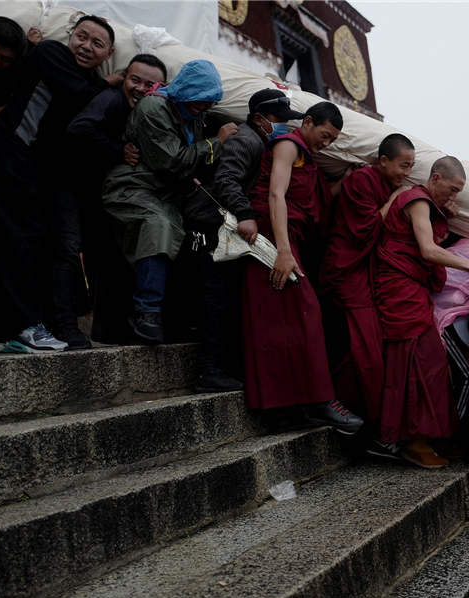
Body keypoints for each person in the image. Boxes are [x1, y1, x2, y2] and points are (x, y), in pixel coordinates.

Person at [0, 15, 117, 353]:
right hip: (11, 155)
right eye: (81, 36)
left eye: (97, 43)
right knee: (17, 243)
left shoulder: (89, 78)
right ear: (70, 36)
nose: (86, 46)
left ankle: (7, 329)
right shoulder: (51, 53)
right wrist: (112, 82)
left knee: (31, 245)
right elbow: (80, 94)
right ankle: (24, 326)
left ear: (108, 53)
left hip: (34, 172)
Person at [241, 101, 364, 434]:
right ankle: (322, 401)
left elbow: (315, 201)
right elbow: (276, 195)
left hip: (288, 239)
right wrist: (282, 251)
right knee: (304, 314)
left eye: (332, 140)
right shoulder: (287, 146)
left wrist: (346, 181)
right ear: (307, 122)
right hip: (272, 240)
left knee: (282, 325)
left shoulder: (308, 159)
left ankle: (285, 410)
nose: (327, 143)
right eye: (325, 135)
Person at [103, 59, 238, 344]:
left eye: (209, 102)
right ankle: (147, 314)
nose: (205, 106)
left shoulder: (193, 112)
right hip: (133, 187)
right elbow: (171, 162)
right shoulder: (154, 108)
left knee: (198, 237)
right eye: (201, 99)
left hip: (165, 193)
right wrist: (217, 142)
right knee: (158, 226)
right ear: (187, 91)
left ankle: (178, 319)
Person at [185, 88, 305, 392]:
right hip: (211, 225)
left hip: (220, 226)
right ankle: (210, 372)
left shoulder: (261, 142)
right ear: (259, 118)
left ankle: (221, 368)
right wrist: (245, 213)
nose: (282, 125)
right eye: (277, 119)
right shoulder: (247, 140)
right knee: (216, 298)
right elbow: (227, 179)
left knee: (225, 299)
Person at [374, 156, 469, 467]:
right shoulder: (418, 201)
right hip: (399, 288)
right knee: (416, 363)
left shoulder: (429, 207)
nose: (454, 197)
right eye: (452, 189)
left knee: (426, 363)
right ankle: (400, 438)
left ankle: (413, 437)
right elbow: (427, 250)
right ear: (435, 178)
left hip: (413, 290)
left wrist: (446, 218)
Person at [55, 53, 168, 348]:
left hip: (100, 195)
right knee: (69, 252)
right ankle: (66, 328)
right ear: (123, 79)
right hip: (69, 187)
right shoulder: (111, 100)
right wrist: (118, 150)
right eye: (134, 80)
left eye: (149, 85)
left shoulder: (148, 113)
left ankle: (108, 331)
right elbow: (79, 129)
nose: (140, 89)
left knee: (107, 260)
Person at [319, 133, 415, 428]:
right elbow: (366, 228)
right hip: (346, 267)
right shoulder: (362, 181)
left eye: (411, 167)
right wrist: (395, 200)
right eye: (403, 165)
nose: (407, 173)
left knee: (363, 345)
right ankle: (372, 419)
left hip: (366, 273)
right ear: (383, 161)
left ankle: (348, 403)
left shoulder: (387, 184)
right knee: (366, 348)